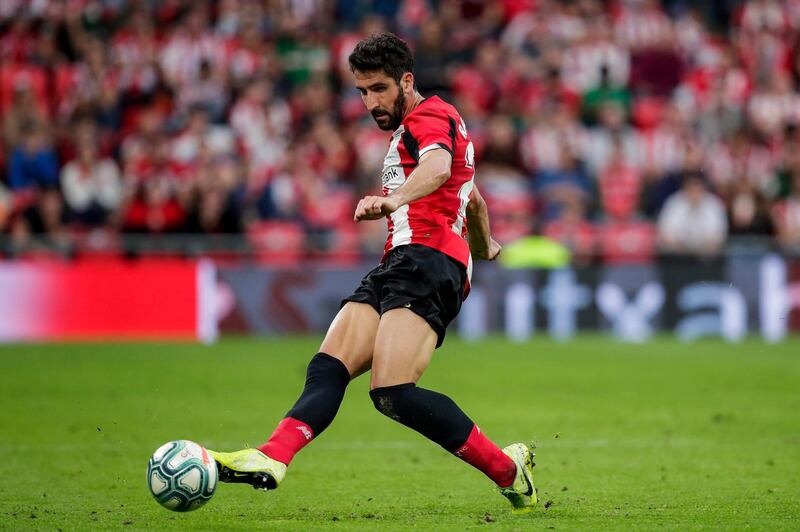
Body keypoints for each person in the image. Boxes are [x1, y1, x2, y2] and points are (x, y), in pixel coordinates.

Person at [209, 33, 537, 514]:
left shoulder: (430, 116)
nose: (370, 102)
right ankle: (272, 455)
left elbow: (441, 169)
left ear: (407, 80)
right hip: (399, 262)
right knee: (328, 365)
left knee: (392, 392)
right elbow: (473, 197)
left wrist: (395, 198)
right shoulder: (432, 124)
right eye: (362, 91)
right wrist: (485, 244)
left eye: (379, 88)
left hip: (428, 261)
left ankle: (509, 473)